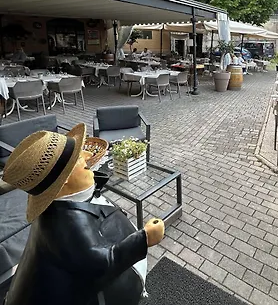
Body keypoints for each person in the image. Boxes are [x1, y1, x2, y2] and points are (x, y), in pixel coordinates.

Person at [2, 124, 165, 305]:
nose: (88, 156)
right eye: (79, 158)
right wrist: (145, 238)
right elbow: (100, 265)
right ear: (64, 180)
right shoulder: (65, 226)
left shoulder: (62, 204)